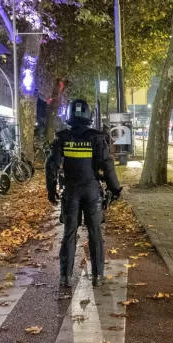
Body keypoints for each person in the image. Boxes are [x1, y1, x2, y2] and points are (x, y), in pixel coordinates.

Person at [47, 99, 121, 287]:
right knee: (95, 233)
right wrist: (115, 189)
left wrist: (51, 190)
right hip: (92, 192)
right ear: (89, 115)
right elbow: (107, 165)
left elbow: (51, 165)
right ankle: (98, 275)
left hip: (70, 192)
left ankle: (65, 277)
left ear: (69, 115)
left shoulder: (62, 137)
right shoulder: (97, 138)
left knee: (69, 233)